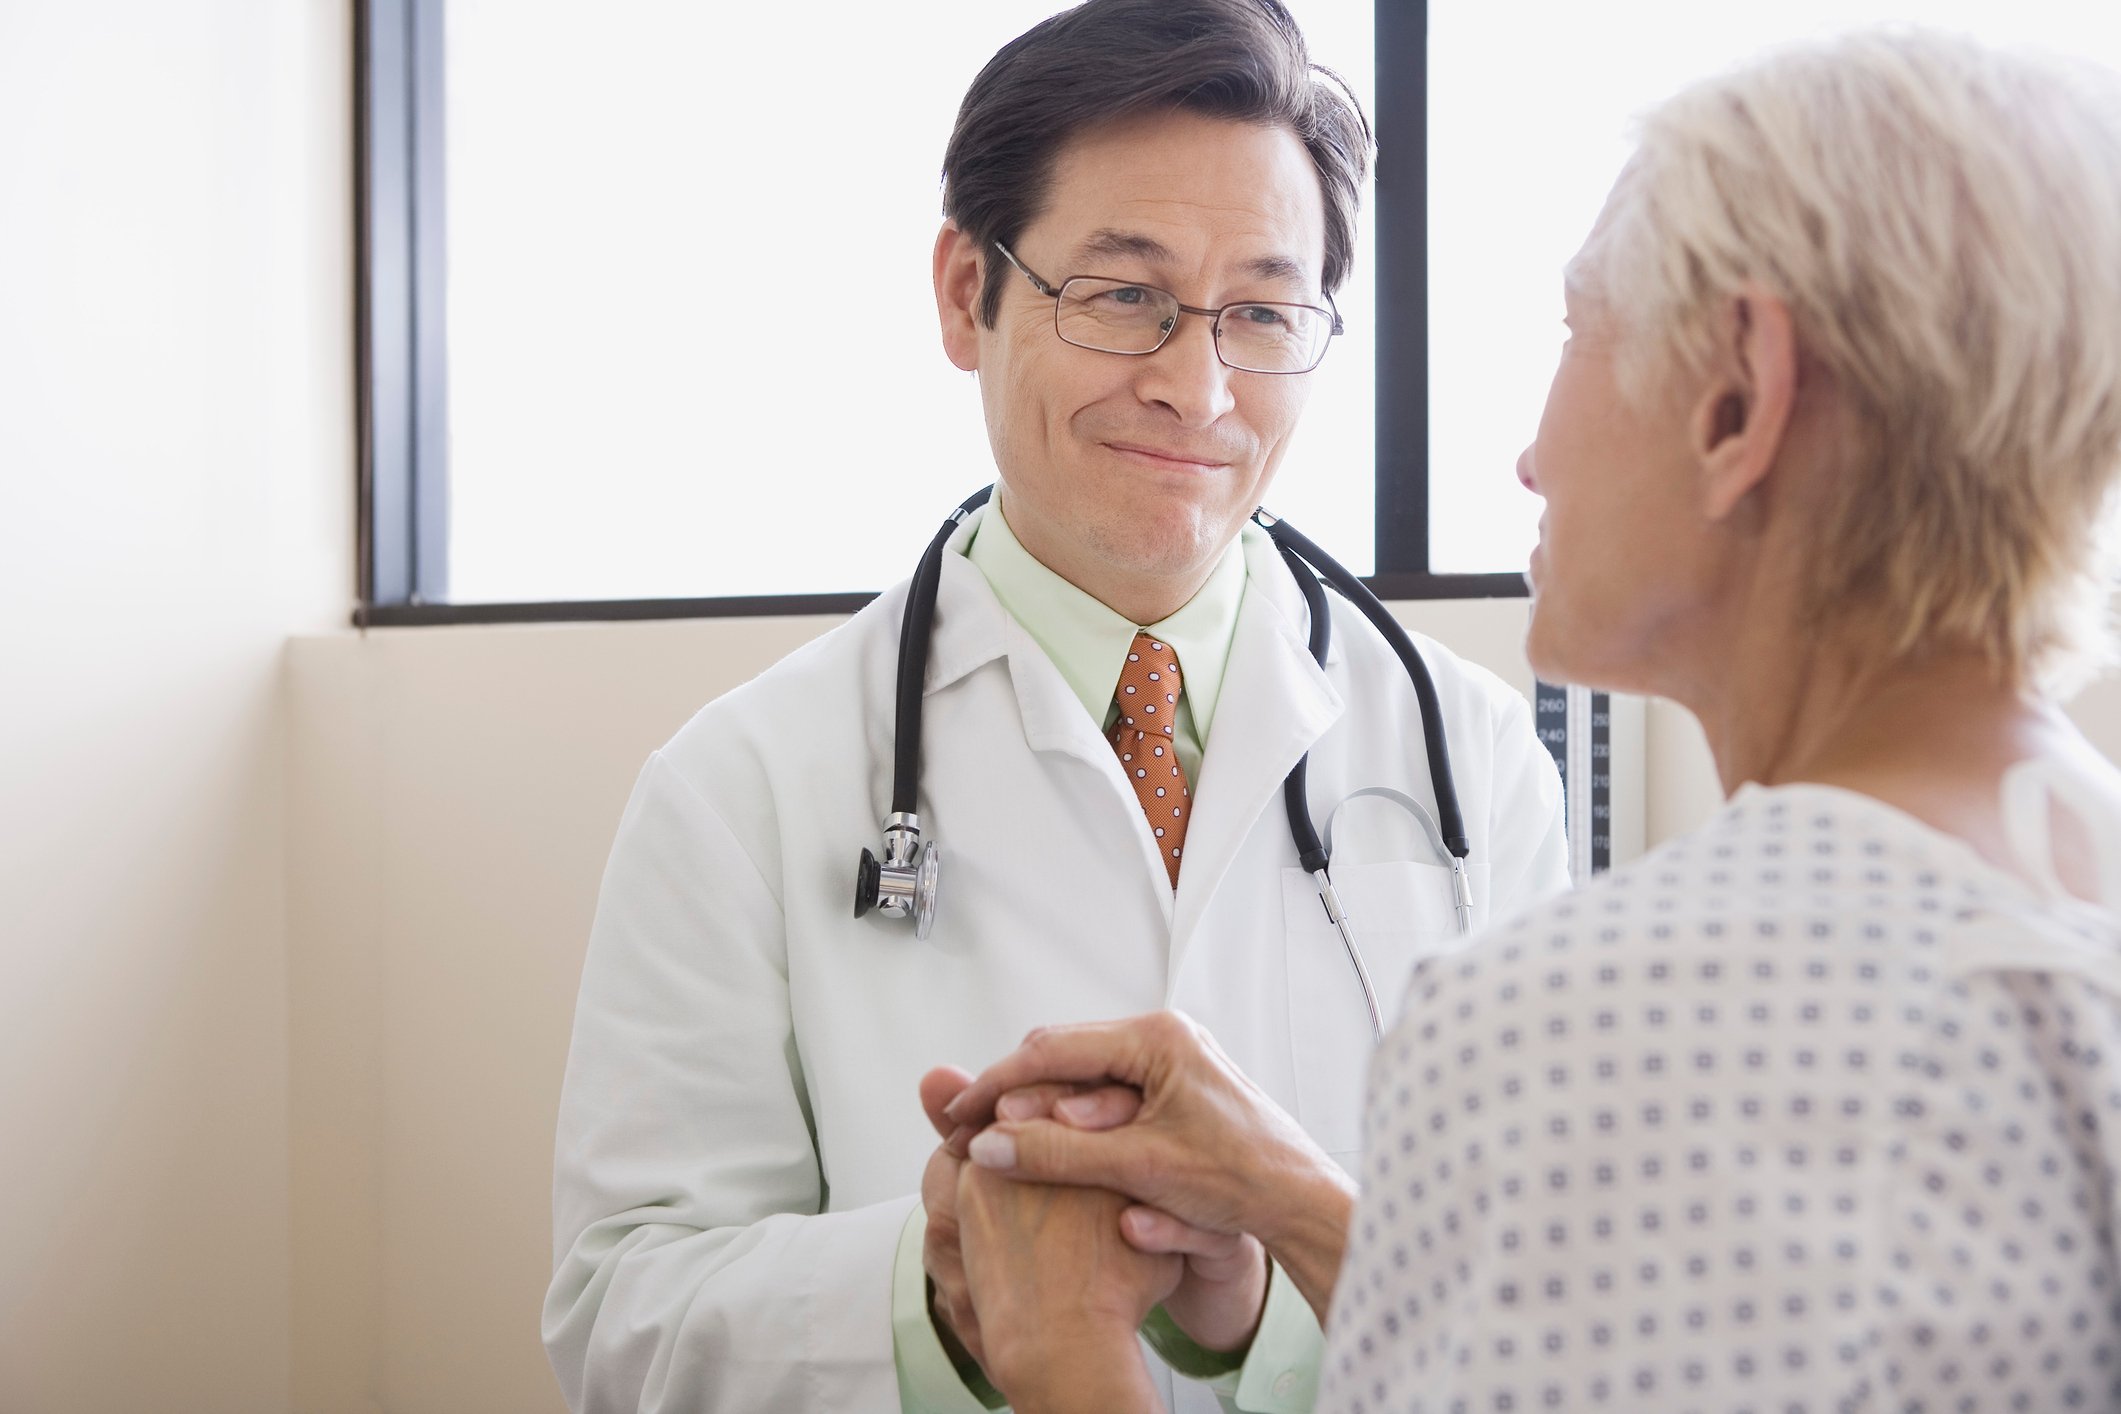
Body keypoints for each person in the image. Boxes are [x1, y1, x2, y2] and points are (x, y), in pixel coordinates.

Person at [938, 27, 2121, 1413]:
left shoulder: (1575, 1034)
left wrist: (1068, 1359)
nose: (1529, 454)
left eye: (1577, 332)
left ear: (1739, 396)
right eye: (1126, 295)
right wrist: (1302, 1209)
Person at [539, 2, 1570, 1410]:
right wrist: (944, 1283)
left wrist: (1261, 1304)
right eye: (1124, 294)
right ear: (967, 293)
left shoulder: (1471, 756)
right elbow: (621, 1323)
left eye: (1261, 313)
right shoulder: (740, 784)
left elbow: (1554, 1289)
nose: (1197, 386)